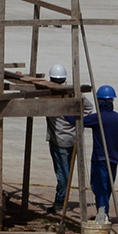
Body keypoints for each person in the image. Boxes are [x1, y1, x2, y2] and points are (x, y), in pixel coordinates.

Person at [79, 85, 118, 221]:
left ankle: (103, 215)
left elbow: (76, 121)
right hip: (113, 159)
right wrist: (116, 155)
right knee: (107, 188)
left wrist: (65, 110)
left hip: (100, 159)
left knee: (99, 187)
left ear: (100, 102)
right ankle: (102, 212)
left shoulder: (99, 118)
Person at [45, 64, 76, 211]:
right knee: (66, 171)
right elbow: (87, 108)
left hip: (59, 140)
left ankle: (60, 202)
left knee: (62, 173)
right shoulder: (73, 93)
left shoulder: (48, 96)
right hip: (71, 139)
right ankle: (62, 199)